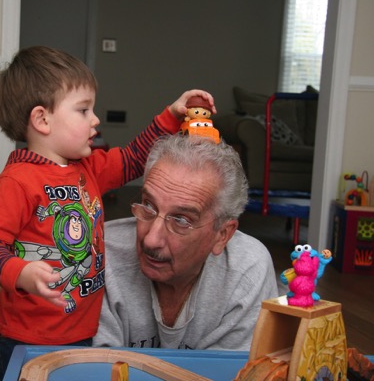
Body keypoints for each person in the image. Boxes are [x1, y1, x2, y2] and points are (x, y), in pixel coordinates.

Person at [0, 45, 216, 379]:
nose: (95, 119)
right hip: (25, 337)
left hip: (83, 330)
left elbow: (132, 158)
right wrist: (21, 273)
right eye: (83, 110)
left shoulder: (88, 169)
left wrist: (172, 115)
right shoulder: (17, 181)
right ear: (42, 119)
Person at [93, 134, 278, 350]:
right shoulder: (100, 253)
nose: (151, 240)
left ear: (222, 235)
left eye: (181, 220)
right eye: (148, 206)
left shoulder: (247, 269)